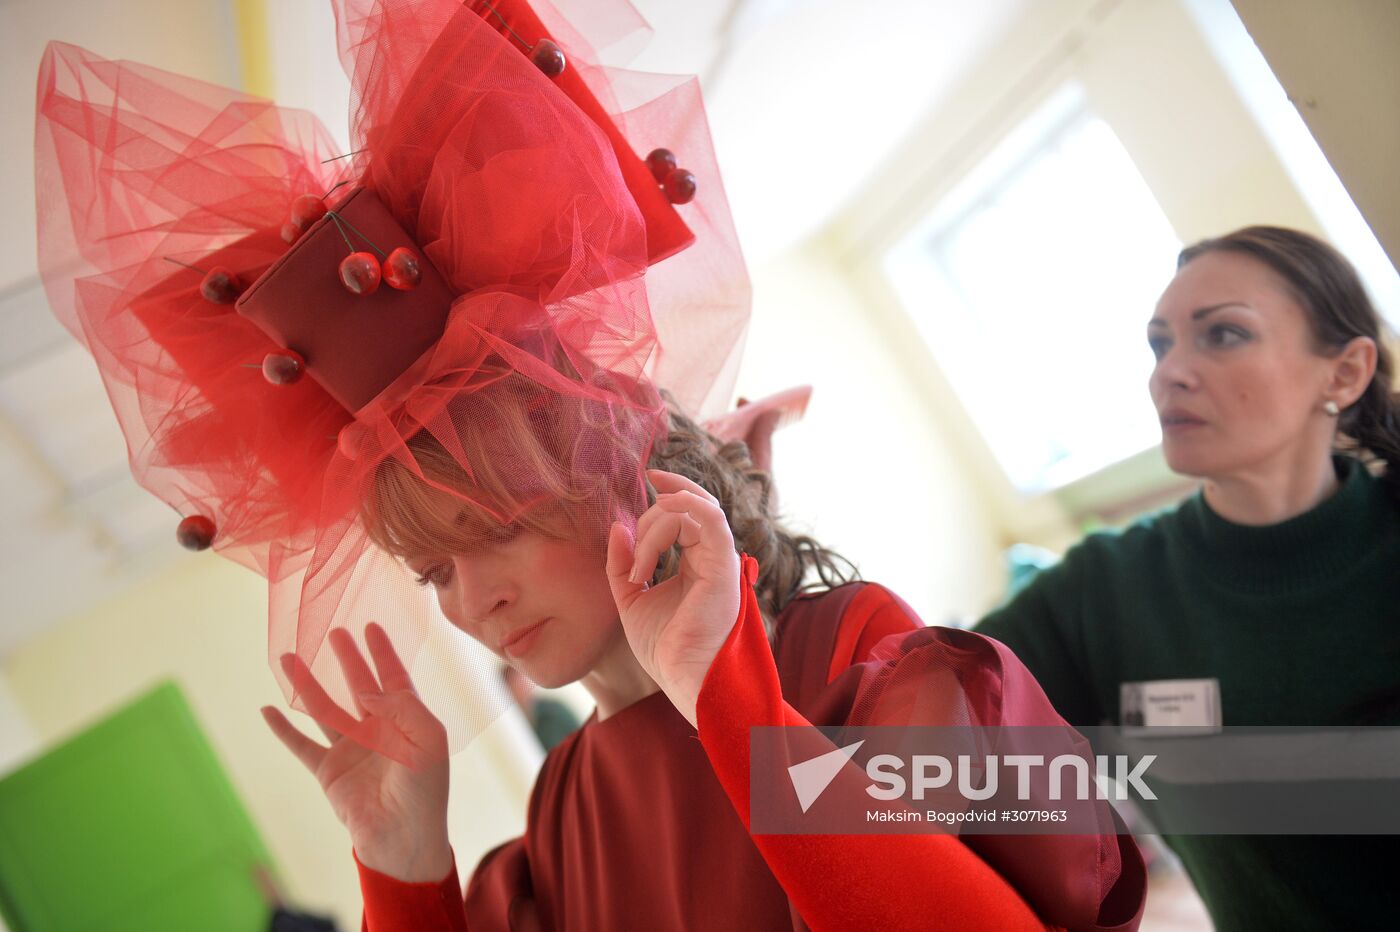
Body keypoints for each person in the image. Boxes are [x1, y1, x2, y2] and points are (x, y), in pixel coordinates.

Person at [35, 0, 1144, 929]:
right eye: (434, 572)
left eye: (496, 528)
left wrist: (730, 701)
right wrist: (404, 864)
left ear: (614, 463)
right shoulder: (563, 805)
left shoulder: (859, 654)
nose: (472, 602)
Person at [974, 226, 1400, 932]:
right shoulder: (1104, 588)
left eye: (1223, 334)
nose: (1168, 373)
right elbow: (899, 721)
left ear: (1345, 373)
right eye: (1159, 344)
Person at [500, 666, 581, 751]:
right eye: (517, 683)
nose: (524, 687)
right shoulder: (510, 728)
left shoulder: (555, 711)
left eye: (524, 680)